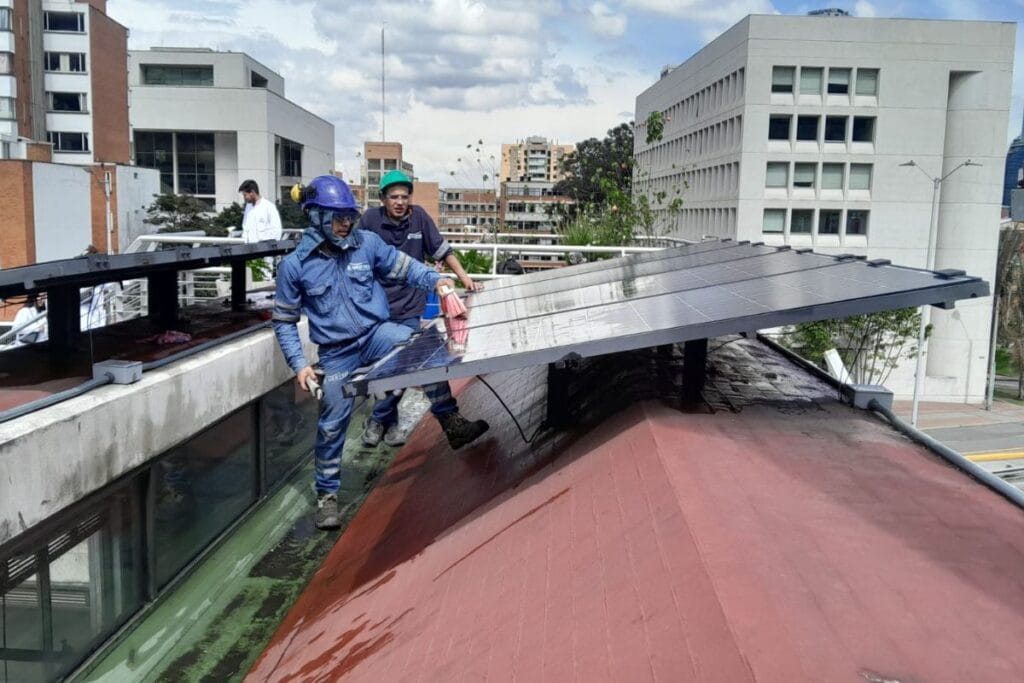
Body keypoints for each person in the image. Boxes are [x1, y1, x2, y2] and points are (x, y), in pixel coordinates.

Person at [272, 175, 489, 530]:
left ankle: (451, 421)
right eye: (338, 217)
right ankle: (327, 496)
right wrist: (299, 365)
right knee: (331, 423)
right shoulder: (295, 266)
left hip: (376, 334)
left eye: (349, 216)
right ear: (316, 217)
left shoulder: (367, 244)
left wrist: (439, 281)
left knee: (421, 345)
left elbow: (405, 268)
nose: (346, 223)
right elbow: (283, 321)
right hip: (337, 353)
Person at [357, 169, 487, 448]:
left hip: (409, 309)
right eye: (394, 197)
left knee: (416, 363)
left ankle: (384, 421)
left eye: (404, 196)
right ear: (383, 199)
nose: (400, 202)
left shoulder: (418, 219)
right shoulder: (368, 221)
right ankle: (386, 420)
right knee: (400, 365)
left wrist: (465, 280)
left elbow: (442, 250)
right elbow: (353, 256)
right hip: (377, 311)